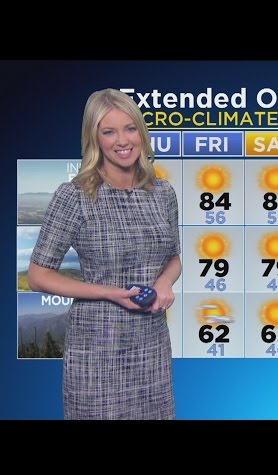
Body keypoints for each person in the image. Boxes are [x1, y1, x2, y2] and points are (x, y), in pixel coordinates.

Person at [28, 88, 182, 420]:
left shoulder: (163, 193)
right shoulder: (75, 196)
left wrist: (165, 283)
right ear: (94, 138)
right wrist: (111, 293)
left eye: (130, 129)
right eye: (109, 132)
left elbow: (174, 258)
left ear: (141, 133)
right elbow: (38, 276)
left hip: (152, 343)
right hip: (98, 345)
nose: (122, 141)